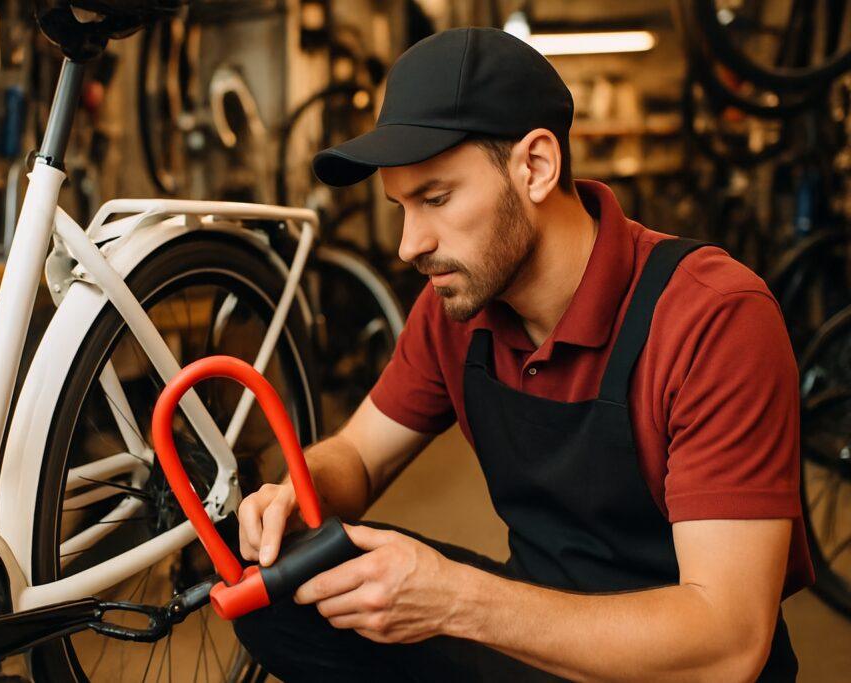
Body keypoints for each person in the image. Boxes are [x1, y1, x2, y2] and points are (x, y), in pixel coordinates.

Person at [232, 27, 812, 681]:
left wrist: (455, 600)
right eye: (400, 207)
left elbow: (728, 643)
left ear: (535, 166)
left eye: (437, 198)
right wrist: (293, 491)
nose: (408, 244)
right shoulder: (459, 303)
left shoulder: (714, 318)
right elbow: (359, 456)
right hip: (542, 640)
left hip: (678, 664)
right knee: (274, 589)